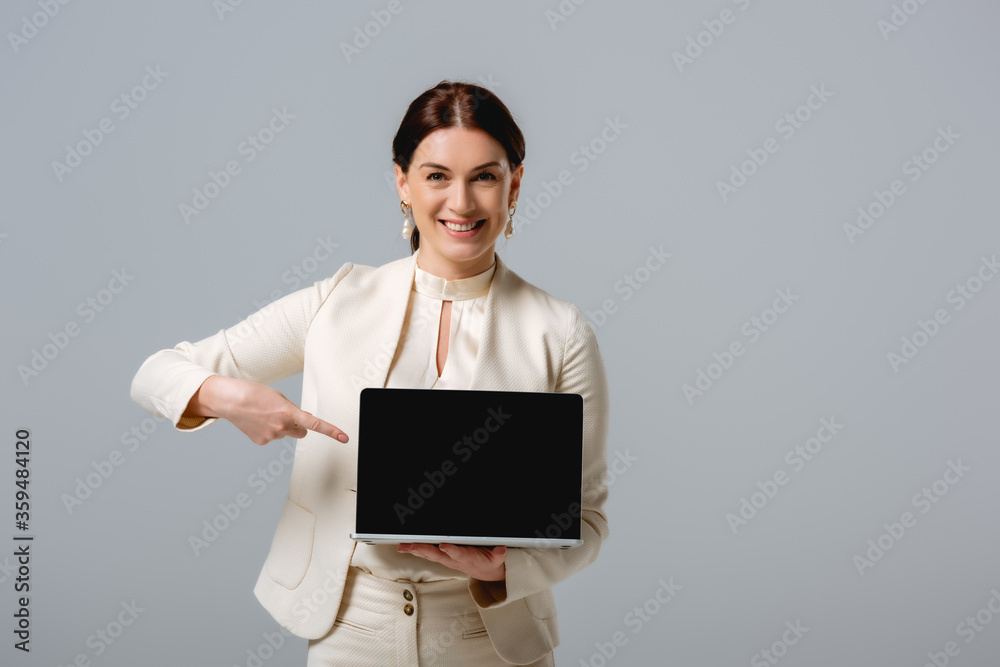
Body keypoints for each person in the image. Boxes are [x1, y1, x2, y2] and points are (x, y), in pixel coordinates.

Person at [130, 80, 610, 666]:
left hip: (492, 639)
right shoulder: (338, 300)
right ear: (403, 184)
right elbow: (156, 373)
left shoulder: (559, 331)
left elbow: (587, 518)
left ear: (515, 183)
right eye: (437, 176)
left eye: (484, 176)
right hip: (352, 633)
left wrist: (506, 566)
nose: (461, 202)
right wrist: (225, 397)